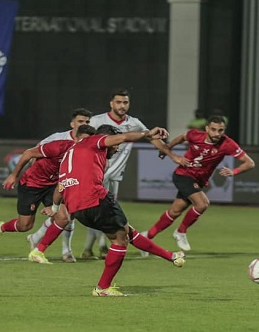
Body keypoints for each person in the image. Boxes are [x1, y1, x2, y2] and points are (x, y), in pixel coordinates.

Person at [27, 124, 185, 296]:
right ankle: (103, 288)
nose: (117, 149)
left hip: (78, 210)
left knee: (126, 232)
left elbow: (60, 187)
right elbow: (124, 137)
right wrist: (148, 134)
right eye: (115, 145)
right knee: (120, 240)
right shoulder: (95, 140)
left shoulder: (70, 154)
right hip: (95, 199)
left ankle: (170, 256)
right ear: (107, 140)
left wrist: (55, 207)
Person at [82, 88, 187, 259]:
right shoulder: (96, 121)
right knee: (75, 214)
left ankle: (94, 248)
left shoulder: (134, 123)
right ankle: (51, 244)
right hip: (93, 176)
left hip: (113, 177)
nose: (122, 106)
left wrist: (171, 154)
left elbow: (152, 137)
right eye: (118, 102)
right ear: (111, 103)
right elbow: (81, 141)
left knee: (102, 214)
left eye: (125, 102)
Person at [142, 115, 255, 254]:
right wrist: (167, 149)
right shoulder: (195, 135)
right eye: (213, 130)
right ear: (207, 128)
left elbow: (250, 163)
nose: (217, 134)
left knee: (175, 211)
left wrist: (234, 171)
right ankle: (180, 232)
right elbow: (181, 137)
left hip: (199, 180)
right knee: (202, 204)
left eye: (220, 130)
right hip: (183, 175)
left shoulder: (227, 144)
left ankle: (146, 238)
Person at [0, 124, 97, 258]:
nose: (85, 144)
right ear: (76, 139)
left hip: (53, 186)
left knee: (64, 217)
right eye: (83, 140)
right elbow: (28, 153)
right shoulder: (59, 146)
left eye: (89, 141)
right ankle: (1, 228)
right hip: (32, 184)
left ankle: (39, 250)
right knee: (25, 226)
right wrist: (14, 175)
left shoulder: (86, 155)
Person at [25, 108, 93, 262]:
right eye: (80, 121)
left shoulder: (89, 140)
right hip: (53, 183)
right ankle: (64, 250)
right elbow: (36, 150)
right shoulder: (58, 137)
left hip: (71, 182)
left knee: (68, 214)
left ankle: (41, 240)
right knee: (66, 214)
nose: (84, 124)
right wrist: (35, 172)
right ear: (72, 123)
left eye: (87, 122)